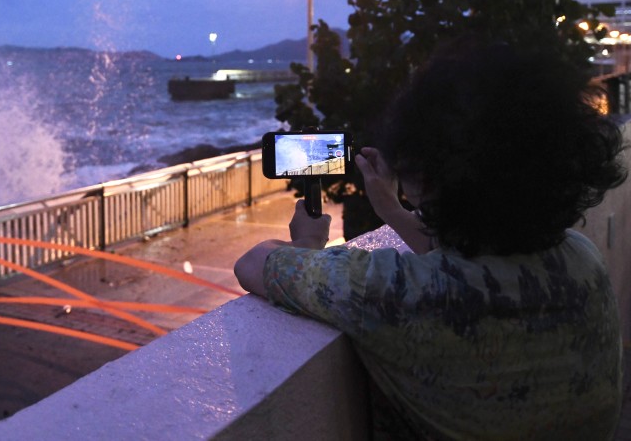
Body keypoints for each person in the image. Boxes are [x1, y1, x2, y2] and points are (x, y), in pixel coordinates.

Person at [234, 39, 627, 439]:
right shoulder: (583, 260)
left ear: (426, 172)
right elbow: (474, 262)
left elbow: (253, 263)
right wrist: (393, 213)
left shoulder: (398, 292)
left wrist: (307, 248)